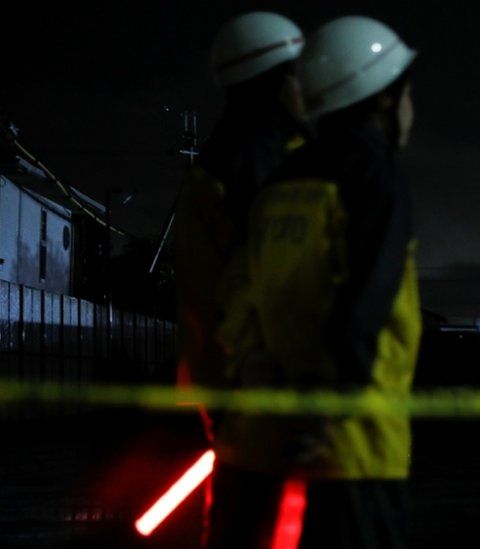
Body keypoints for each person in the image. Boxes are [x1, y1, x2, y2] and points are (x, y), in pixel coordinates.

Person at [208, 15, 422, 549]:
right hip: (356, 444)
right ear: (381, 99)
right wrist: (336, 404)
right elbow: (368, 298)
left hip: (273, 436)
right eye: (407, 94)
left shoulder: (279, 180)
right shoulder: (375, 176)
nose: (412, 109)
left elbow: (239, 297)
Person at [171, 11, 305, 547]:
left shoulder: (227, 155)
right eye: (297, 74)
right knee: (262, 526)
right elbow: (273, 278)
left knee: (239, 520)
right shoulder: (256, 158)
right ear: (272, 79)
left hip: (230, 382)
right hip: (259, 388)